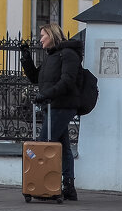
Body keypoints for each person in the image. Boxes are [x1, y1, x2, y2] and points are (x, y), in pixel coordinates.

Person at [20, 22, 82, 201]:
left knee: (44, 145)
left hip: (63, 105)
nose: (40, 40)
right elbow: (35, 78)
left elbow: (67, 82)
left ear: (52, 35)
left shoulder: (68, 54)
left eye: (42, 36)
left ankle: (44, 186)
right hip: (52, 105)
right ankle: (69, 187)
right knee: (63, 148)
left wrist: (45, 95)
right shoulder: (51, 56)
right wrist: (26, 57)